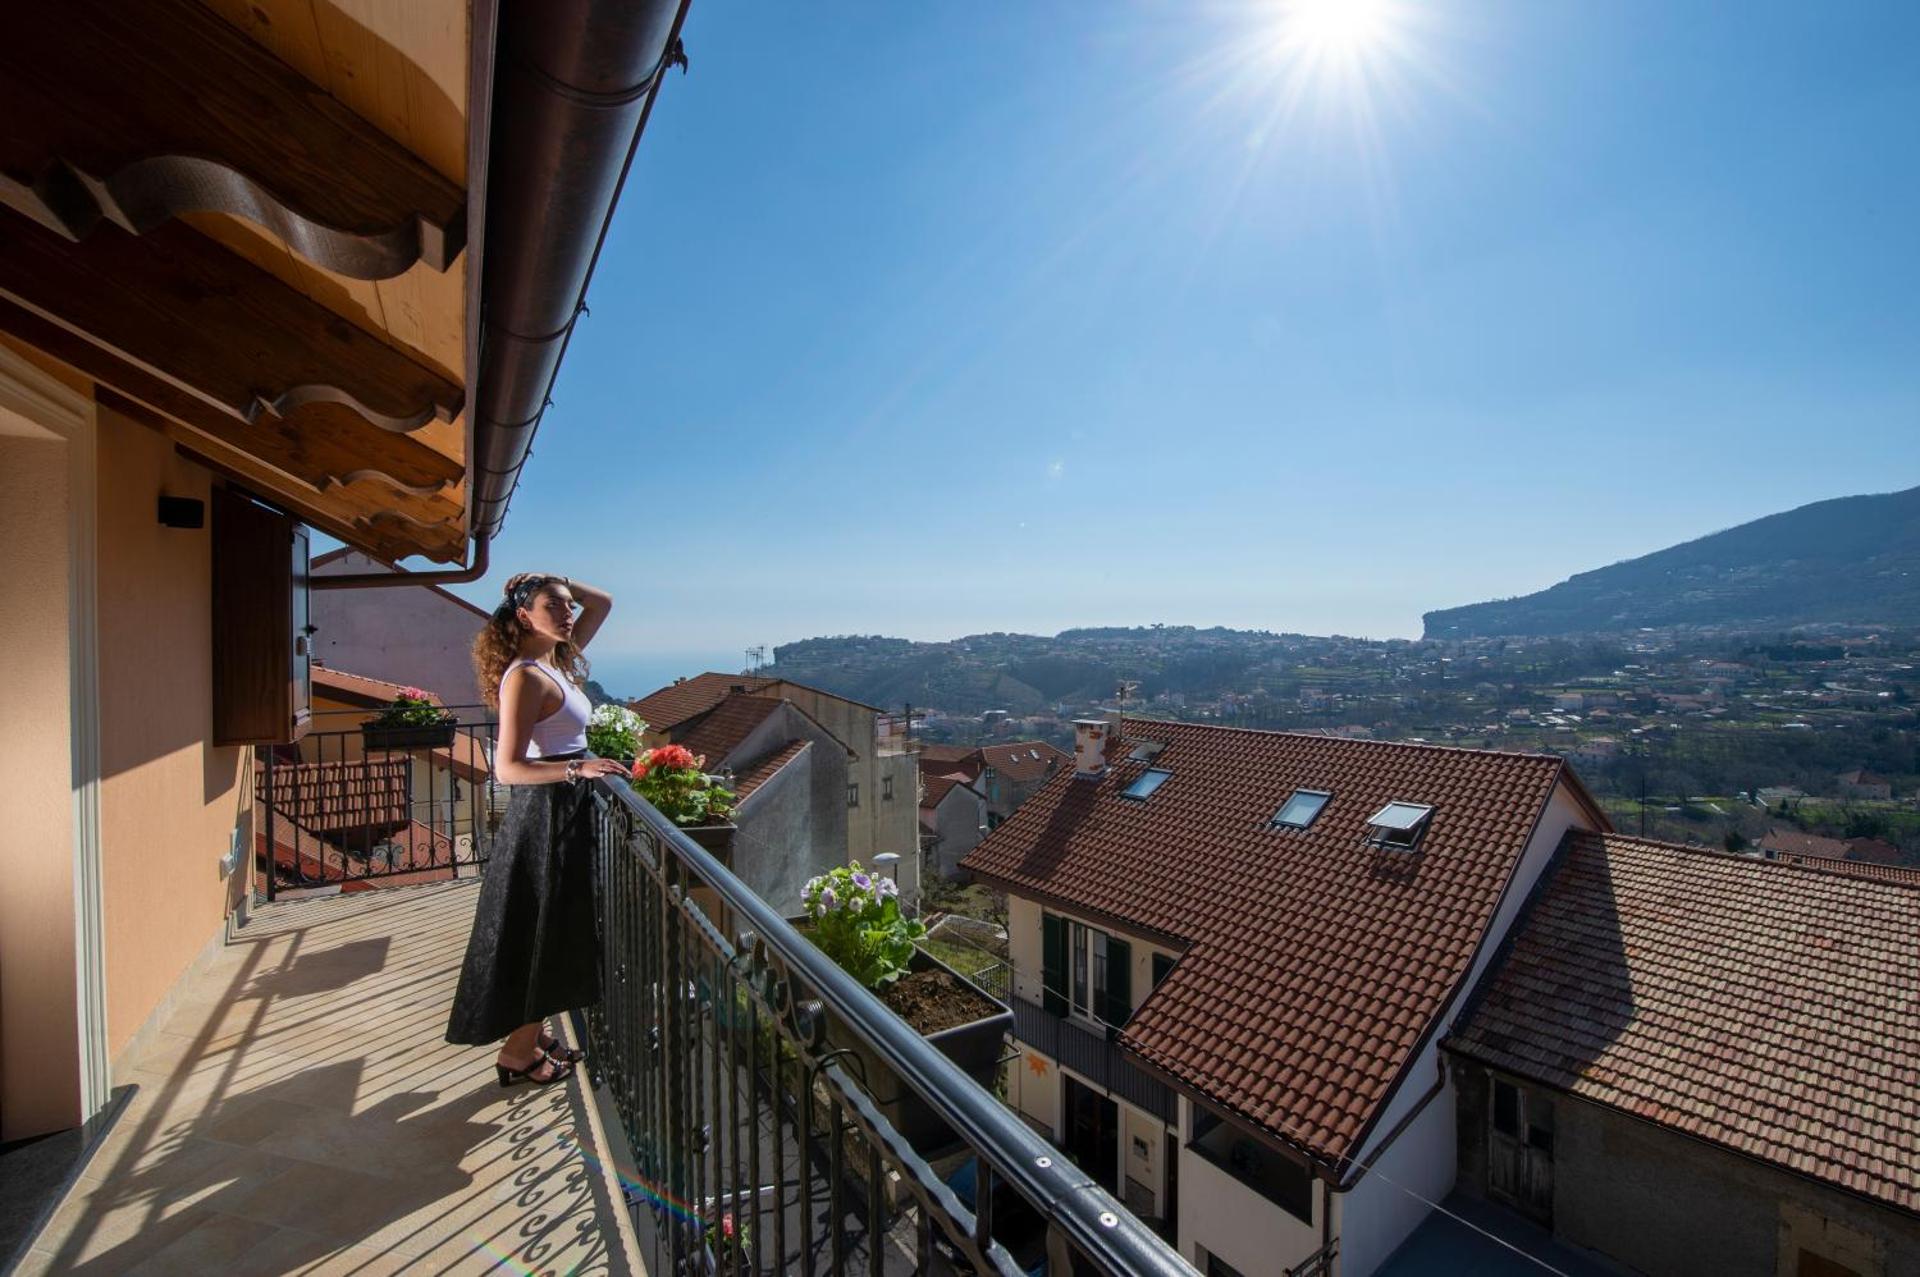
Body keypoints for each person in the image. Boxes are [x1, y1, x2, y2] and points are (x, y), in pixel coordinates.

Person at [446, 572, 625, 1086]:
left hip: (561, 810)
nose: (570, 613)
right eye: (555, 605)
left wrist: (555, 580)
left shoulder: (556, 659)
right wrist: (578, 769)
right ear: (524, 616)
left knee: (549, 928)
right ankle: (519, 1053)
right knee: (546, 931)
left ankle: (532, 1032)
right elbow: (506, 767)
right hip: (545, 812)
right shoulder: (525, 676)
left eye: (569, 606)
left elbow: (604, 600)